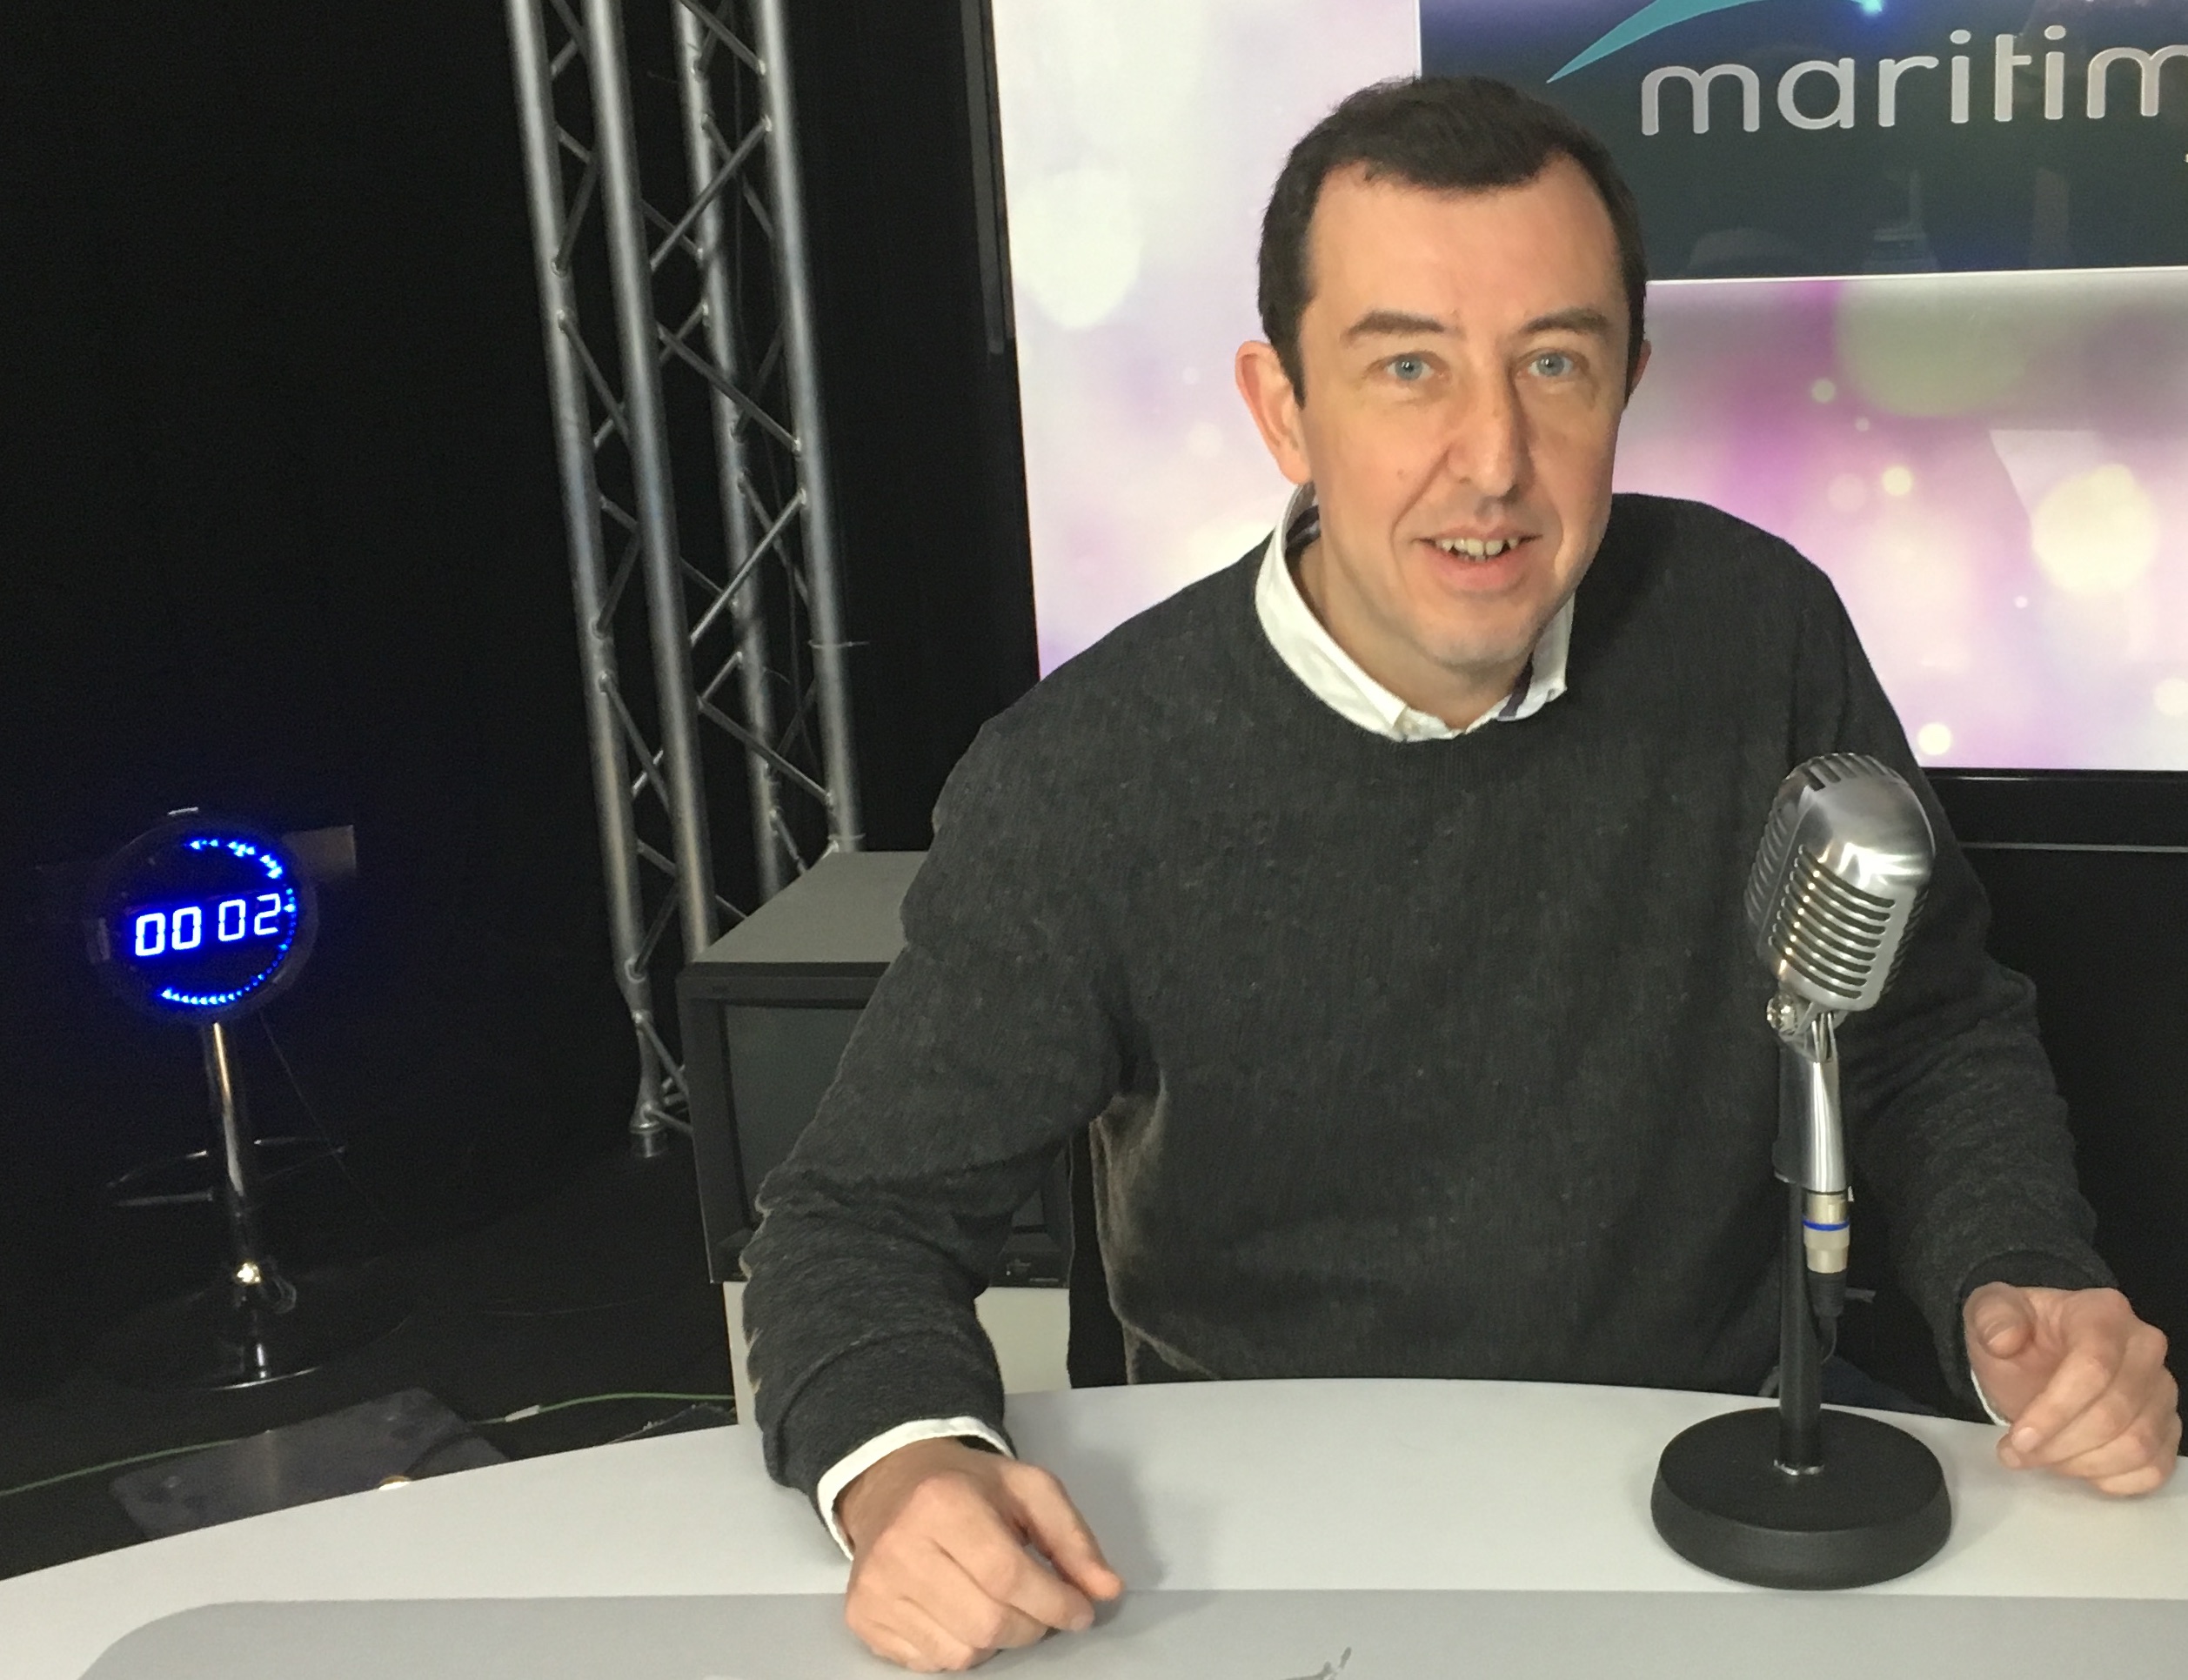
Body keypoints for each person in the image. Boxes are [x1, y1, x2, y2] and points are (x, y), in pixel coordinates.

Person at [739, 76, 2178, 1671]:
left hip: (1705, 1493)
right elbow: (854, 1223)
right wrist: (905, 1470)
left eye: (1553, 364)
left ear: (1629, 381)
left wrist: (2020, 1280)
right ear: (1284, 409)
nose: (1492, 460)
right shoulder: (1082, 775)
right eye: (1407, 366)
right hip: (1261, 1542)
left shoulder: (1757, 629)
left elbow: (1925, 1031)